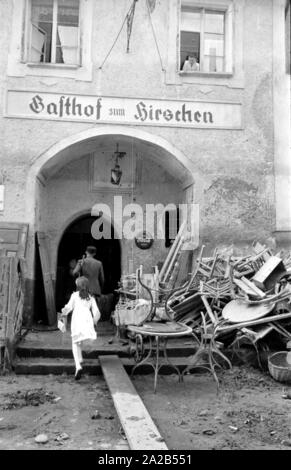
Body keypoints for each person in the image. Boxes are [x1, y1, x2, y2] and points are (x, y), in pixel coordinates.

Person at [61, 276, 100, 380]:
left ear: (78, 286)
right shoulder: (91, 297)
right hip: (87, 319)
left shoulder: (74, 295)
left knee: (75, 341)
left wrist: (62, 313)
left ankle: (78, 365)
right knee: (81, 339)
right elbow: (96, 312)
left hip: (77, 319)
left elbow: (68, 308)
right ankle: (81, 358)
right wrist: (95, 321)